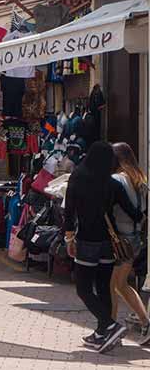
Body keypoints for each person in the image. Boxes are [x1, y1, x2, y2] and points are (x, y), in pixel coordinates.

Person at [64, 141, 143, 353]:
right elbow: (134, 212)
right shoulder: (112, 183)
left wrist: (69, 239)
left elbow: (69, 211)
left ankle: (110, 325)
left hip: (87, 241)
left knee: (83, 288)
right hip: (109, 243)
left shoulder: (78, 177)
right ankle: (101, 333)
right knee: (103, 288)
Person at [110, 142, 149, 343]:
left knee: (112, 285)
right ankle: (145, 322)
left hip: (119, 240)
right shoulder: (140, 178)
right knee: (121, 284)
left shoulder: (116, 180)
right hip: (134, 238)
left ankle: (110, 328)